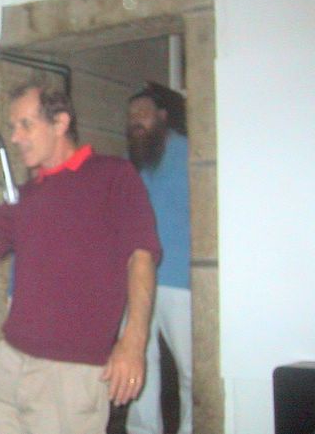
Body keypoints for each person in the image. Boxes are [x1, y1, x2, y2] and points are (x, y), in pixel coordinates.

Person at [0, 81, 161, 434]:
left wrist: (133, 342)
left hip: (71, 370)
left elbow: (141, 257)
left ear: (60, 122)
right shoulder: (26, 195)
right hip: (10, 360)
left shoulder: (113, 175)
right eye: (13, 127)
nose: (16, 137)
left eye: (26, 124)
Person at [125, 82, 192, 434]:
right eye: (131, 116)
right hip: (138, 279)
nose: (136, 120)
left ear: (163, 116)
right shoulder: (134, 163)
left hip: (180, 281)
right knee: (138, 360)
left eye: (143, 113)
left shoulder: (190, 153)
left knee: (191, 369)